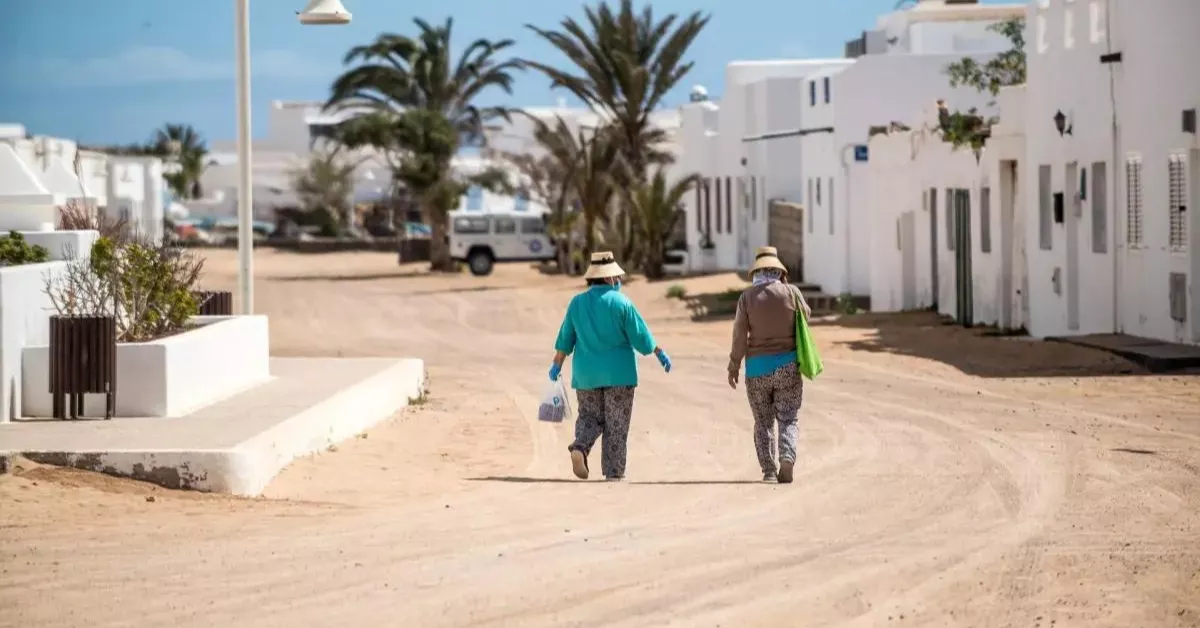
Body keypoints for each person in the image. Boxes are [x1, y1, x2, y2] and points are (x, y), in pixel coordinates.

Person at [550, 251, 672, 482]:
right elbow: (641, 337)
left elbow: (565, 338)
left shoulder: (576, 303)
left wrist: (557, 365)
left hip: (586, 375)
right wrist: (659, 352)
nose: (617, 281)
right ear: (608, 278)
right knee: (616, 423)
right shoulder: (621, 302)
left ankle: (581, 447)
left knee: (589, 417)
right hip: (619, 374)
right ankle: (614, 472)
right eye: (615, 277)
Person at [727, 246, 812, 484]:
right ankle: (787, 454)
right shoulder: (792, 292)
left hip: (757, 370)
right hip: (788, 367)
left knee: (763, 422)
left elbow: (739, 335)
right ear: (778, 270)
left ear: (757, 270)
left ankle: (768, 470)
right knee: (788, 418)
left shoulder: (747, 297)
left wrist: (734, 365)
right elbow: (806, 316)